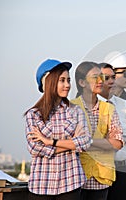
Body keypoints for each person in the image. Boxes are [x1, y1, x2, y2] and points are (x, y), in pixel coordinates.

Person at [25, 59, 91, 200]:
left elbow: (85, 142)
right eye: (62, 80)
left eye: (68, 80)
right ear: (48, 82)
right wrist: (71, 144)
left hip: (71, 182)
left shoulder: (75, 111)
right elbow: (34, 148)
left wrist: (49, 141)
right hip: (41, 184)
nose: (67, 85)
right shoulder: (33, 114)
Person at [71, 61, 123, 200]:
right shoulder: (70, 107)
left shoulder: (109, 108)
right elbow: (69, 142)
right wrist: (105, 142)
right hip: (76, 177)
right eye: (95, 77)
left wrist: (86, 141)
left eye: (101, 77)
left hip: (102, 177)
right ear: (82, 82)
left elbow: (117, 143)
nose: (100, 81)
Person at [96, 63, 126, 200]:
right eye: (106, 78)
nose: (111, 81)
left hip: (123, 170)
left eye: (112, 77)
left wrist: (112, 135)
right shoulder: (90, 105)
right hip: (99, 169)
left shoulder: (125, 105)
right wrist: (120, 134)